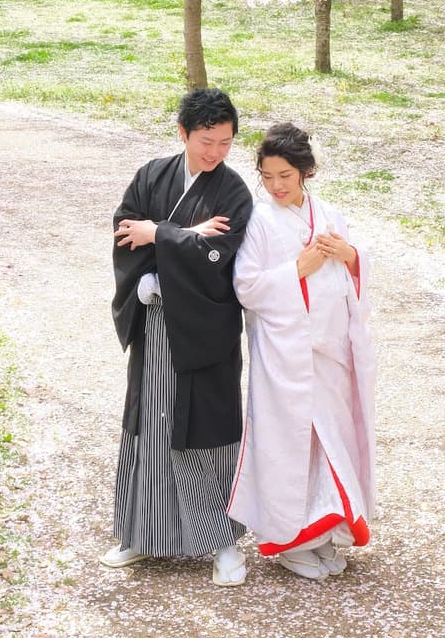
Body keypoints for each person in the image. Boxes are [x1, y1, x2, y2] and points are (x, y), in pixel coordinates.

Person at [105, 88, 254, 587]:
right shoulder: (152, 175)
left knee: (202, 436)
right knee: (150, 427)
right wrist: (173, 247)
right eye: (207, 140)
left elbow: (222, 255)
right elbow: (126, 231)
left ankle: (222, 542)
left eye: (226, 142)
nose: (215, 152)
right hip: (154, 324)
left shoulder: (233, 192)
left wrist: (162, 235)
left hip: (204, 331)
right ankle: (140, 534)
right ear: (183, 133)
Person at [228, 122, 376, 580]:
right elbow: (247, 288)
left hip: (329, 351)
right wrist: (299, 267)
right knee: (288, 445)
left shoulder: (329, 214)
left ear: (306, 172)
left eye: (285, 176)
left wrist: (350, 257)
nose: (275, 186)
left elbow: (356, 272)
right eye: (267, 176)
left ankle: (326, 533)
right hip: (284, 353)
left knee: (332, 443)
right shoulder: (259, 220)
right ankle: (291, 541)